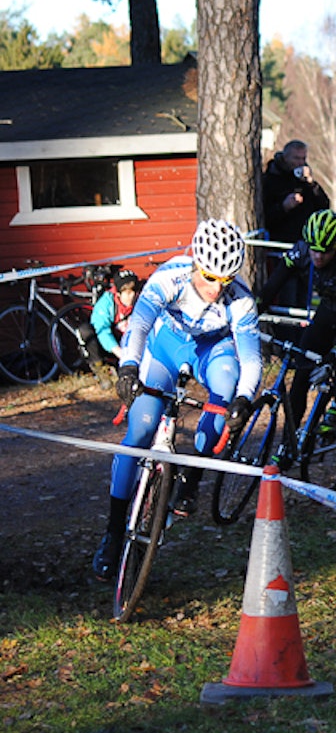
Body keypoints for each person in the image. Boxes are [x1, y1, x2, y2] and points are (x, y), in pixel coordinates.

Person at [92, 220, 262, 582]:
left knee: (225, 388)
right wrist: (128, 369)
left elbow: (251, 360)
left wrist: (245, 400)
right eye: (209, 278)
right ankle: (112, 531)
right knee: (139, 431)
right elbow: (138, 325)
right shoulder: (170, 278)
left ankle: (192, 478)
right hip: (164, 346)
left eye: (225, 281)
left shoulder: (242, 299)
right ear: (196, 264)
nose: (217, 289)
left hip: (212, 350)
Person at [258, 209, 336, 450]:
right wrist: (253, 311)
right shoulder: (304, 249)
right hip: (331, 305)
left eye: (324, 252)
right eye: (314, 249)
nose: (317, 256)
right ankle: (290, 443)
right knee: (302, 370)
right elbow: (273, 285)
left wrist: (333, 353)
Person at [262, 140, 331, 309]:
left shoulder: (303, 180)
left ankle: (303, 333)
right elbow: (265, 217)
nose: (300, 163)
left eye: (303, 158)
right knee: (288, 296)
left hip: (306, 247)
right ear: (285, 157)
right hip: (283, 247)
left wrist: (311, 184)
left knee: (304, 298)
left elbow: (324, 206)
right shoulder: (270, 180)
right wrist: (283, 207)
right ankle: (287, 333)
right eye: (296, 158)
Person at [82, 268, 139, 385]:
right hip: (110, 345)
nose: (132, 296)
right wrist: (120, 353)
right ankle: (101, 369)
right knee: (86, 331)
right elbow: (102, 331)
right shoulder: (106, 303)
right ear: (118, 293)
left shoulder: (140, 301)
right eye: (127, 293)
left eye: (134, 291)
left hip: (132, 343)